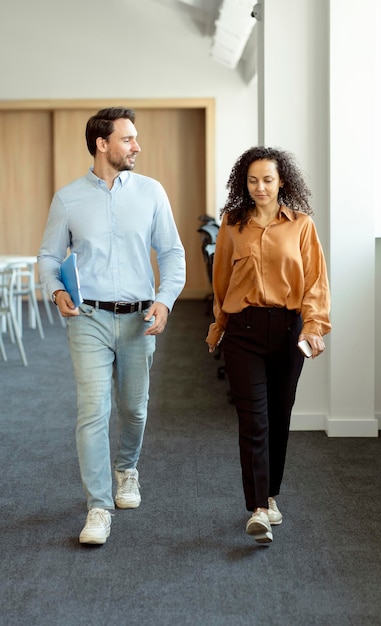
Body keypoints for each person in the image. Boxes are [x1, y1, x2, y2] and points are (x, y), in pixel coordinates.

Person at [38, 107, 186, 545]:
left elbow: (173, 254)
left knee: (134, 408)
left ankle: (127, 470)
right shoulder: (68, 198)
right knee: (92, 412)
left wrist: (165, 301)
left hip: (141, 319)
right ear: (102, 144)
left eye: (135, 139)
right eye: (128, 139)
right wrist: (54, 289)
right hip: (88, 319)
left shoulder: (152, 192)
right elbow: (48, 256)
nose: (136, 147)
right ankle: (98, 507)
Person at [206, 146, 331, 544]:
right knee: (253, 421)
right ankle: (258, 507)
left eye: (268, 180)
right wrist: (218, 326)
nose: (260, 187)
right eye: (252, 180)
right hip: (242, 331)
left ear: (282, 182)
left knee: (278, 417)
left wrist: (314, 326)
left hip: (288, 332)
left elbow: (315, 283)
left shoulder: (301, 225)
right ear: (244, 183)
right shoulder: (232, 223)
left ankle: (271, 494)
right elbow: (221, 282)